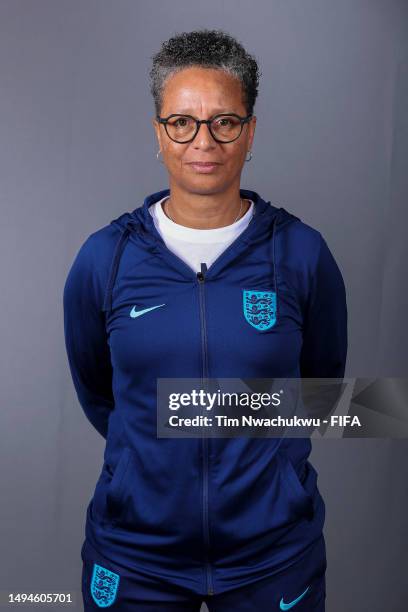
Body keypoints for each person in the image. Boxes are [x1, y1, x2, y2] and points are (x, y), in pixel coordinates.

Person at [63, 28, 347, 611]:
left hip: (272, 555)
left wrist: (265, 468)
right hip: (136, 553)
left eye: (225, 121)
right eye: (182, 122)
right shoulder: (105, 258)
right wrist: (145, 465)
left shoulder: (300, 253)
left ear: (250, 133)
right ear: (158, 134)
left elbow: (322, 392)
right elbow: (101, 393)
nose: (204, 141)